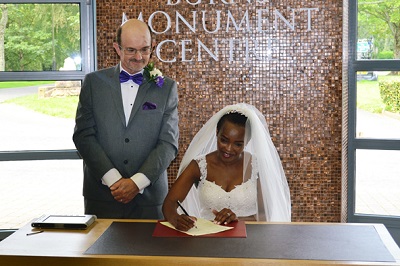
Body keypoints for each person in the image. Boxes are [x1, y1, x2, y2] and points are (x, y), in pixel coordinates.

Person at [73, 18, 179, 219]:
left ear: (152, 47)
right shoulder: (94, 83)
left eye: (145, 49)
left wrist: (136, 182)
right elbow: (83, 136)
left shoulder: (166, 88)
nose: (139, 57)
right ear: (117, 48)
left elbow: (168, 143)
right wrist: (113, 180)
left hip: (149, 200)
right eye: (131, 50)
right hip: (102, 196)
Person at [162, 103, 290, 231]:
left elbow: (265, 214)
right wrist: (175, 219)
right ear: (217, 133)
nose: (228, 149)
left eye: (238, 144)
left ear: (247, 141)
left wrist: (237, 220)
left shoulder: (257, 166)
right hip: (208, 239)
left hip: (250, 238)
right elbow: (169, 203)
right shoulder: (199, 165)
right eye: (224, 140)